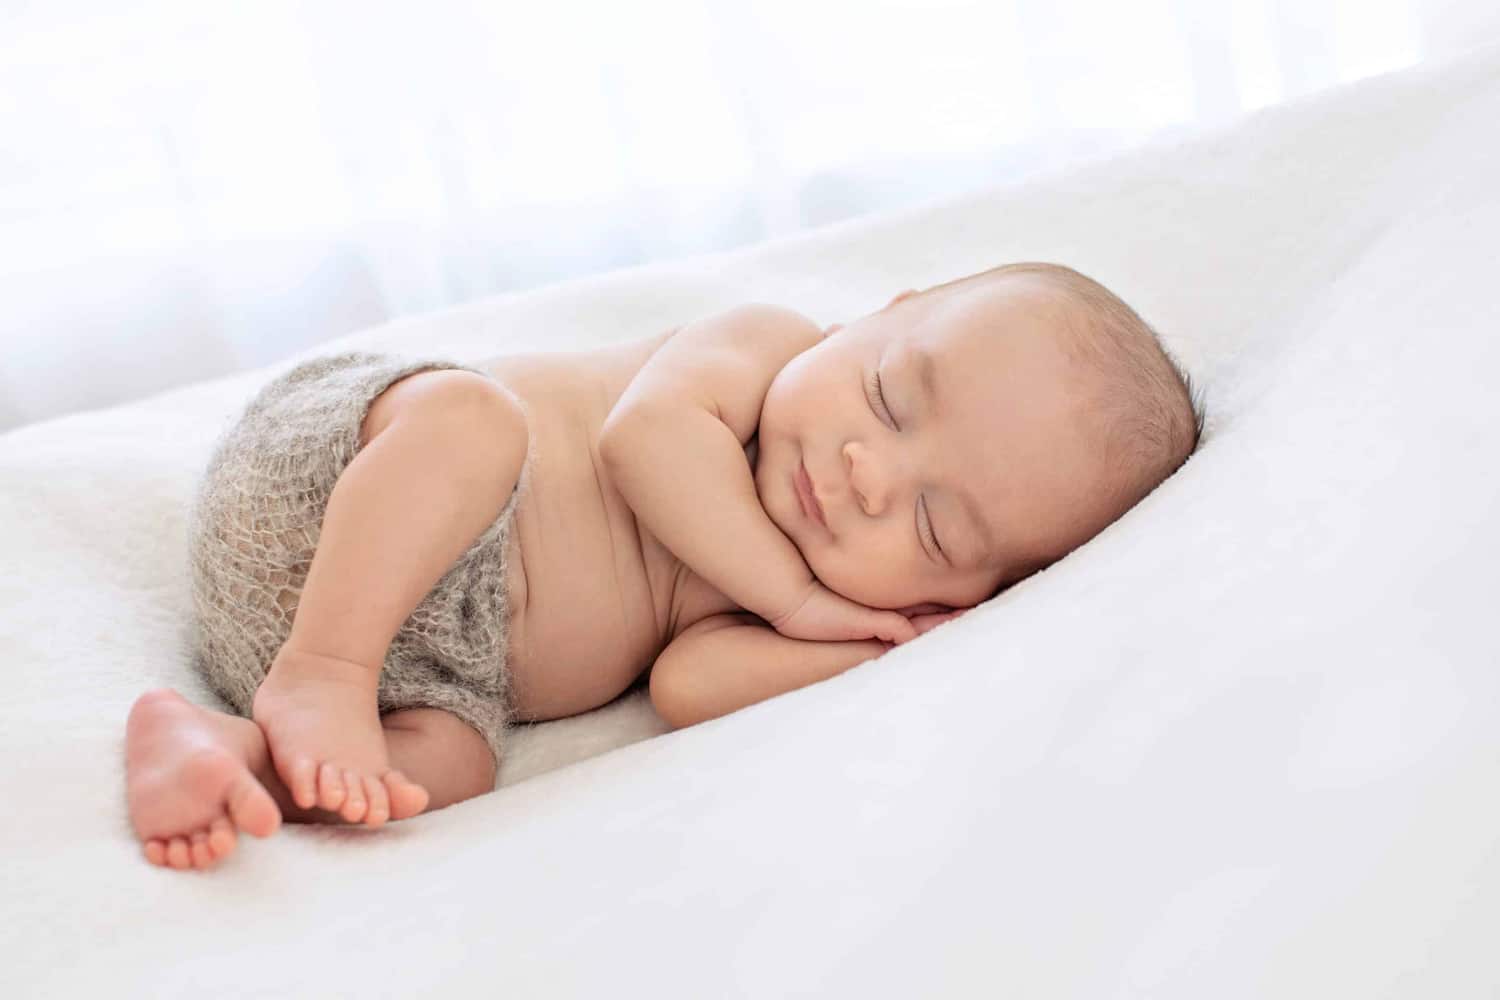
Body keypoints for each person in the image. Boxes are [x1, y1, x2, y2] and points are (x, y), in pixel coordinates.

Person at [123, 261, 1202, 871]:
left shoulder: (825, 609)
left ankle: (231, 753)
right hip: (348, 481)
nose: (870, 473)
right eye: (887, 395)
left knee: (448, 769)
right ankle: (320, 667)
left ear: (963, 594)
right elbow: (641, 440)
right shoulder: (761, 346)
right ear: (879, 313)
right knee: (473, 422)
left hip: (431, 667)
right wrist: (798, 595)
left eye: (933, 528)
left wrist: (865, 646)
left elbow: (688, 684)